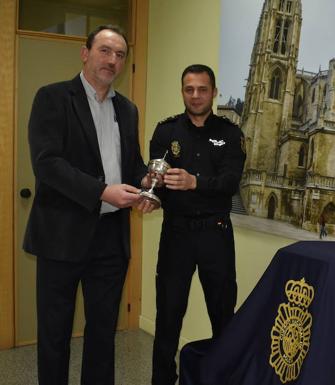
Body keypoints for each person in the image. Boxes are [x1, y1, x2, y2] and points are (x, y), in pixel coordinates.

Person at [24, 25, 155, 385]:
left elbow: (132, 165)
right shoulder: (52, 98)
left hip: (111, 239)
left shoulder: (127, 110)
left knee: (102, 335)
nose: (112, 60)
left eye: (120, 54)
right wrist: (102, 192)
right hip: (61, 236)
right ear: (85, 53)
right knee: (55, 334)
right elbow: (47, 163)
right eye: (105, 51)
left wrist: (147, 182)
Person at [150, 64, 246, 385]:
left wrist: (195, 182)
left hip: (214, 234)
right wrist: (152, 185)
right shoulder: (166, 131)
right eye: (189, 89)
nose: (195, 96)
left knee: (222, 316)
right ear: (182, 92)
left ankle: (222, 379)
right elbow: (154, 178)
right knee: (168, 317)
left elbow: (230, 182)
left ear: (214, 92)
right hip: (175, 234)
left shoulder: (230, 133)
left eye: (202, 89)